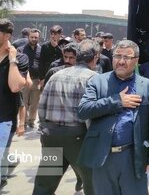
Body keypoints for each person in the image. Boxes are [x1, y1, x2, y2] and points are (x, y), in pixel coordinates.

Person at [77, 40, 149, 195]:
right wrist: (117, 101)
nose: (121, 61)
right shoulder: (98, 82)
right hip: (103, 157)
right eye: (117, 56)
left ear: (136, 60)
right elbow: (83, 110)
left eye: (127, 57)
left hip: (133, 157)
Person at [32, 39, 99, 195]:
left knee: (44, 184)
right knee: (92, 182)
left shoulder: (56, 75)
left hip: (52, 135)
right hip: (78, 137)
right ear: (95, 57)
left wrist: (46, 129)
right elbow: (92, 114)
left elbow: (42, 108)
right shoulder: (93, 78)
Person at [0, 19, 28, 190]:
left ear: (7, 35)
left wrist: (12, 60)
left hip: (4, 117)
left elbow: (15, 86)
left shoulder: (20, 57)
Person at [18, 28, 42, 129]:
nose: (33, 39)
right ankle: (24, 121)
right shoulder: (21, 50)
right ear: (28, 37)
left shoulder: (41, 49)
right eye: (32, 37)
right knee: (23, 102)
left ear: (39, 38)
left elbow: (42, 64)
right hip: (24, 80)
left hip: (36, 80)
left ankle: (32, 121)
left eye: (36, 37)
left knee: (34, 103)